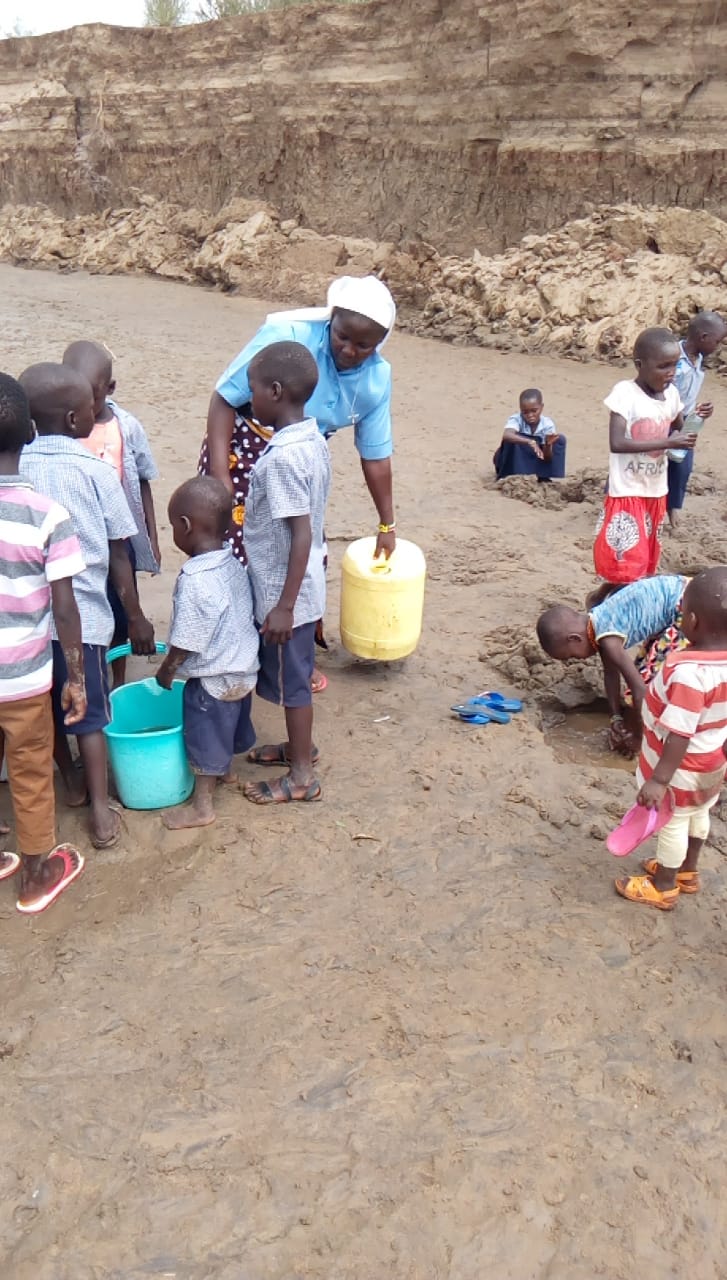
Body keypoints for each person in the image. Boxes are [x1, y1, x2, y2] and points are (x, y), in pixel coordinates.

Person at [199, 274, 397, 692]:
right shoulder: (288, 336)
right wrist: (220, 478)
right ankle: (232, 650)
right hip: (240, 445)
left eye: (364, 346)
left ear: (379, 344)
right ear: (331, 321)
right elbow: (224, 397)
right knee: (234, 552)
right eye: (343, 337)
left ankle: (290, 656)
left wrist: (387, 524)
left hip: (302, 452)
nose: (349, 350)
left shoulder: (377, 379)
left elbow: (376, 455)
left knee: (302, 551)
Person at [18, 362, 155, 849]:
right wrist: (134, 613)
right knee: (91, 714)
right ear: (79, 421)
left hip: (26, 628)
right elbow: (122, 549)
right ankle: (100, 807)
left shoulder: (17, 469)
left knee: (49, 713)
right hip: (87, 624)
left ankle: (69, 782)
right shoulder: (96, 471)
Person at [0, 374, 88, 913]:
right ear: (32, 432)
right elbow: (65, 608)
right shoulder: (49, 515)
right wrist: (75, 676)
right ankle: (34, 877)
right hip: (26, 680)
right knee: (32, 772)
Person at [241, 341, 331, 806]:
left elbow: (299, 533)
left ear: (274, 392)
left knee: (295, 685)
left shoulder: (280, 459)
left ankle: (301, 776)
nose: (249, 397)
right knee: (293, 677)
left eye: (253, 389)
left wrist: (284, 606)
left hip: (287, 594)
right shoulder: (313, 440)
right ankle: (301, 749)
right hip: (304, 582)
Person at [614, 568, 727, 910]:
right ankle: (687, 872)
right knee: (699, 814)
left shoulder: (690, 674)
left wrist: (659, 780)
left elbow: (680, 730)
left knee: (672, 822)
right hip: (712, 761)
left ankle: (663, 885)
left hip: (681, 769)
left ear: (691, 620)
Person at [155, 476, 260, 829]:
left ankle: (202, 806)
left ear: (184, 526)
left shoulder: (195, 578)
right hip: (244, 670)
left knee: (204, 732)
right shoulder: (232, 562)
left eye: (172, 526)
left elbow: (187, 639)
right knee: (229, 723)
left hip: (213, 680)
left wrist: (167, 669)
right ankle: (226, 771)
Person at [62, 340, 161, 686]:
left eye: (91, 396)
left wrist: (149, 535)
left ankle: (117, 678)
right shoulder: (60, 427)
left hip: (119, 535)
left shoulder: (126, 427)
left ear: (110, 388)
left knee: (122, 607)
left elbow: (143, 483)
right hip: (78, 535)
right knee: (83, 604)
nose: (83, 407)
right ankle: (86, 666)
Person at [592, 328, 698, 597]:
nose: (671, 372)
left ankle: (601, 597)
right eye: (663, 366)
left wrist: (697, 418)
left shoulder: (672, 395)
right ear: (640, 365)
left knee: (642, 563)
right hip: (627, 490)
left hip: (654, 491)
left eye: (675, 365)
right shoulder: (625, 393)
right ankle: (611, 605)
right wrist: (668, 443)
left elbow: (679, 431)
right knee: (627, 561)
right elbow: (617, 443)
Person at [536, 574, 689, 755]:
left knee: (650, 682)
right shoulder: (597, 622)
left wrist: (637, 737)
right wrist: (615, 716)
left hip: (688, 609)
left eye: (573, 656)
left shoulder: (608, 640)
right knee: (643, 669)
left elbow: (641, 691)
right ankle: (636, 725)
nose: (580, 660)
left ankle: (644, 734)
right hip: (676, 598)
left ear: (574, 639)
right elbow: (611, 674)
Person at [666, 310, 727, 527]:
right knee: (649, 457)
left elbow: (687, 395)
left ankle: (673, 507)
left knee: (682, 466)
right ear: (703, 338)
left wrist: (701, 412)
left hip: (685, 418)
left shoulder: (699, 359)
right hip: (662, 418)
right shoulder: (671, 357)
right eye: (717, 342)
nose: (718, 347)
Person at [493, 388, 566, 481]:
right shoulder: (516, 419)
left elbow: (547, 458)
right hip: (516, 460)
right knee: (512, 440)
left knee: (560, 440)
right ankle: (512, 474)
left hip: (534, 458)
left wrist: (548, 445)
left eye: (534, 410)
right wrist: (529, 441)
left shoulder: (547, 424)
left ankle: (543, 475)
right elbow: (507, 435)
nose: (530, 415)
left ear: (542, 407)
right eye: (525, 412)